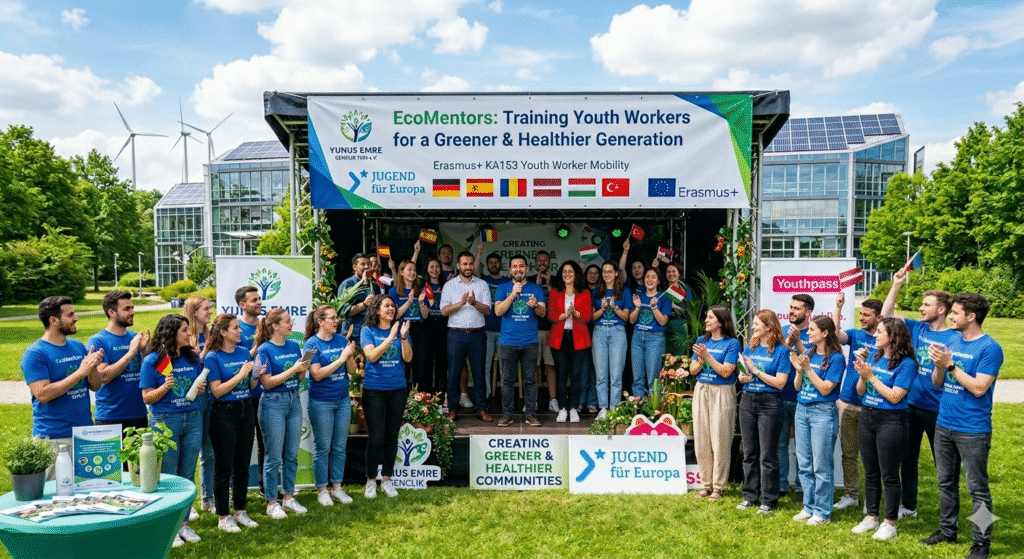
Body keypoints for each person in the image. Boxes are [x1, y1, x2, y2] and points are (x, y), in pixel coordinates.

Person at [921, 293, 1002, 559]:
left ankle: (981, 543)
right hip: (944, 423)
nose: (951, 316)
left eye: (955, 312)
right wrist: (939, 366)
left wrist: (951, 365)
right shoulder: (953, 341)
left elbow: (979, 388)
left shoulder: (990, 348)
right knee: (945, 483)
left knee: (977, 489)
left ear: (971, 316)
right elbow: (937, 383)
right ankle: (947, 531)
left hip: (973, 429)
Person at [881, 270, 957, 519]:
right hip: (911, 406)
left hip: (939, 410)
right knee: (907, 459)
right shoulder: (917, 328)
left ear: (941, 310)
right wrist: (896, 285)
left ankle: (949, 513)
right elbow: (887, 316)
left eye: (927, 305)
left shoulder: (954, 337)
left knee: (944, 465)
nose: (921, 308)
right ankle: (909, 506)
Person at [139, 314, 205, 545]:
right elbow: (147, 397)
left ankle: (183, 524)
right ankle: (169, 528)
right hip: (166, 421)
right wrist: (165, 387)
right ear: (171, 333)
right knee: (168, 475)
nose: (189, 334)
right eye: (184, 330)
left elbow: (195, 386)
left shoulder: (192, 358)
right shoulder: (154, 361)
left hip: (193, 418)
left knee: (187, 474)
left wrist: (199, 388)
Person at [850, 318, 916, 541]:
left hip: (891, 420)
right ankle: (871, 517)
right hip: (867, 416)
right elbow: (861, 391)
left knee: (889, 474)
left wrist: (871, 376)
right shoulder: (875, 357)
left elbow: (895, 396)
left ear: (892, 337)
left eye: (880, 332)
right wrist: (863, 375)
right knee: (870, 472)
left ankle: (890, 523)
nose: (875, 335)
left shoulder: (907, 364)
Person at [21, 296, 103, 476]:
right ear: (53, 320)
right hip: (54, 440)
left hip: (85, 434)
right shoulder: (35, 354)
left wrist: (93, 367)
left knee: (90, 489)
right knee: (57, 492)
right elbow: (42, 394)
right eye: (70, 315)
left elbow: (95, 386)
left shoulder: (77, 346)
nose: (76, 318)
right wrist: (81, 372)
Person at [204, 314, 260, 533]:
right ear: (223, 332)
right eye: (235, 328)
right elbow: (217, 391)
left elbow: (250, 386)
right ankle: (223, 515)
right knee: (223, 466)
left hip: (245, 409)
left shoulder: (244, 352)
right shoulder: (212, 357)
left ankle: (240, 510)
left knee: (242, 464)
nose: (240, 331)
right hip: (223, 413)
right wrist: (240, 375)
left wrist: (255, 375)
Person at [255, 308, 310, 519]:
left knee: (291, 454)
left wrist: (302, 369)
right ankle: (272, 502)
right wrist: (293, 369)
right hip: (273, 403)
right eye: (287, 321)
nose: (291, 324)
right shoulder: (264, 350)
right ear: (275, 326)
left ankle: (288, 497)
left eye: (291, 320)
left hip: (293, 400)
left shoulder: (294, 346)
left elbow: (298, 379)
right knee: (273, 456)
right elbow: (267, 383)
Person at [790, 315, 844, 526]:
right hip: (802, 409)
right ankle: (809, 506)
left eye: (812, 329)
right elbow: (797, 386)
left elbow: (825, 389)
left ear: (825, 333)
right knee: (804, 463)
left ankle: (822, 511)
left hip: (823, 412)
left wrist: (808, 369)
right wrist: (799, 371)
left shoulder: (836, 359)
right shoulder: (808, 354)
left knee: (821, 465)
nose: (808, 333)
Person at [831, 295, 883, 511]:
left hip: (872, 404)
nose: (861, 318)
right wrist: (838, 307)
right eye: (860, 314)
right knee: (849, 453)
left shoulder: (885, 340)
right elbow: (835, 335)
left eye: (866, 315)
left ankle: (873, 499)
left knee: (874, 456)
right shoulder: (855, 334)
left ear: (879, 318)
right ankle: (851, 494)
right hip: (847, 402)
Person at [736, 310, 790, 514]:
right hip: (747, 400)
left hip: (769, 404)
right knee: (749, 452)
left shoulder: (782, 351)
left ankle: (768, 500)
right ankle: (749, 496)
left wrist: (756, 371)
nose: (752, 327)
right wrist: (743, 377)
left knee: (767, 455)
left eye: (757, 324)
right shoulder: (751, 347)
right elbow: (742, 374)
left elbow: (780, 383)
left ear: (769, 326)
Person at [303, 305, 358, 507]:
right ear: (320, 322)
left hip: (342, 400)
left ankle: (337, 487)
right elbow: (316, 374)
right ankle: (322, 489)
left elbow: (352, 371)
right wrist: (341, 358)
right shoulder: (310, 344)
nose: (336, 321)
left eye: (337, 318)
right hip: (321, 402)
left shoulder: (341, 340)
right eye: (332, 318)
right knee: (323, 447)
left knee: (339, 446)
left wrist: (349, 355)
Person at [360, 295, 412, 499]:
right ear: (377, 310)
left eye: (393, 306)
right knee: (376, 437)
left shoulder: (401, 329)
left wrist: (403, 337)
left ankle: (387, 480)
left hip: (397, 389)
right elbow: (371, 356)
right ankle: (371, 480)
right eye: (386, 306)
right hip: (374, 390)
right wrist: (391, 337)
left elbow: (408, 358)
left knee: (392, 436)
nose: (391, 308)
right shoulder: (368, 330)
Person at [689, 305, 740, 501]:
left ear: (720, 321)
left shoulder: (732, 344)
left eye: (710, 318)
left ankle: (719, 487)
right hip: (702, 389)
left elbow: (726, 371)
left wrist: (707, 356)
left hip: (722, 391)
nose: (706, 321)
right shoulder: (701, 341)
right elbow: (693, 369)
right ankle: (706, 484)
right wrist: (701, 360)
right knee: (702, 438)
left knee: (720, 439)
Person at [493, 254, 547, 427]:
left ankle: (531, 413)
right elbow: (498, 311)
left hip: (529, 341)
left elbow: (543, 313)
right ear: (510, 270)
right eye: (515, 266)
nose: (518, 269)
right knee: (507, 380)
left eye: (521, 266)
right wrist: (512, 295)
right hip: (508, 342)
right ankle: (507, 414)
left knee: (530, 380)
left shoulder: (536, 288)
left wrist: (535, 305)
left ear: (527, 269)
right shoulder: (503, 288)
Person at [89, 291, 150, 441]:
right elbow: (104, 376)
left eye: (132, 308)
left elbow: (152, 373)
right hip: (110, 418)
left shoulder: (135, 337)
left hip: (139, 414)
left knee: (140, 457)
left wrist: (143, 351)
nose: (132, 312)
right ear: (111, 312)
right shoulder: (99, 340)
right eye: (126, 309)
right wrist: (131, 353)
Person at [441, 251, 493, 422]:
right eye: (464, 264)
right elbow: (444, 311)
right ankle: (453, 409)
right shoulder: (449, 286)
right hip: (456, 334)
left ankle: (481, 409)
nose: (468, 267)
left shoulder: (482, 285)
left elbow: (487, 309)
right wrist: (462, 303)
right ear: (458, 266)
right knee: (454, 374)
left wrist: (475, 303)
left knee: (479, 373)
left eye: (471, 263)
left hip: (477, 335)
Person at [547, 260, 593, 423]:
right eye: (564, 271)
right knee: (561, 374)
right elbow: (550, 315)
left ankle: (573, 408)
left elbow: (588, 317)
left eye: (570, 271)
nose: (567, 274)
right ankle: (562, 408)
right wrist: (561, 316)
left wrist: (576, 313)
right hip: (559, 337)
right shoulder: (555, 292)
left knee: (576, 374)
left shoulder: (584, 293)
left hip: (578, 337)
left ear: (576, 275)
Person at [182, 295, 215, 513]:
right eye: (206, 309)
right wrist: (206, 349)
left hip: (213, 396)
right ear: (194, 312)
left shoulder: (210, 333)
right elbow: (192, 364)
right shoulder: (186, 335)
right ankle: (187, 504)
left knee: (209, 452)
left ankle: (207, 498)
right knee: (191, 453)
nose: (210, 312)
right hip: (195, 398)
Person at [780, 293, 813, 500]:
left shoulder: (815, 332)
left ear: (808, 312)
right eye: (791, 307)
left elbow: (814, 361)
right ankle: (781, 485)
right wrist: (788, 341)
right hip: (781, 395)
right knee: (780, 444)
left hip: (804, 398)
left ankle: (802, 488)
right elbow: (775, 356)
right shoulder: (783, 331)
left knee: (803, 448)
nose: (791, 311)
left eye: (796, 308)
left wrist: (798, 341)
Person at [235, 285, 267, 497]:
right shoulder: (235, 328)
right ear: (242, 305)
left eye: (259, 299)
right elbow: (238, 360)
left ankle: (265, 488)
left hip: (266, 394)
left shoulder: (266, 325)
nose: (259, 303)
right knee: (240, 446)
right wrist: (257, 343)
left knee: (266, 444)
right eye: (254, 300)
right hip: (243, 396)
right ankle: (237, 492)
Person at [591, 261, 632, 419]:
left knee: (616, 374)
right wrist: (602, 309)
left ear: (616, 273)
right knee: (601, 374)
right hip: (599, 331)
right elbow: (592, 317)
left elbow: (626, 317)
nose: (606, 274)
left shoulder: (624, 291)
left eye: (610, 271)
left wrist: (614, 307)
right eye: (604, 271)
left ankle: (614, 409)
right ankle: (603, 408)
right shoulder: (596, 291)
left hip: (617, 332)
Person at [629, 267, 671, 398]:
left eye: (653, 277)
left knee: (653, 378)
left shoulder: (664, 297)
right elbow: (631, 320)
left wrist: (654, 307)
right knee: (637, 377)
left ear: (658, 281)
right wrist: (637, 307)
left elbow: (663, 322)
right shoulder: (638, 296)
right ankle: (638, 406)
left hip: (655, 338)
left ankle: (654, 407)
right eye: (647, 276)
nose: (650, 280)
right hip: (637, 336)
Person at [389, 259, 430, 390]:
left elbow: (425, 315)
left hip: (419, 329)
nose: (413, 272)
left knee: (420, 367)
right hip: (402, 329)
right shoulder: (394, 291)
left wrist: (421, 303)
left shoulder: (421, 290)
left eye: (414, 270)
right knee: (404, 366)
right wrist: (409, 302)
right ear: (401, 272)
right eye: (409, 270)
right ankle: (403, 398)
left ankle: (420, 398)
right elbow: (395, 316)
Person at [478, 248, 510, 403]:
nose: (493, 265)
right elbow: (475, 271)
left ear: (501, 264)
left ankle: (506, 395)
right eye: (491, 262)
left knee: (505, 366)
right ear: (487, 265)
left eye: (496, 262)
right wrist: (479, 252)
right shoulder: (483, 280)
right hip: (486, 330)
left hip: (504, 330)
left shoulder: (506, 282)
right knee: (485, 365)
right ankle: (485, 394)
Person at [528, 250, 557, 412]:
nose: (542, 263)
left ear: (549, 263)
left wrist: (549, 285)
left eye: (545, 260)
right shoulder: (530, 280)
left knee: (550, 366)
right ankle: (533, 401)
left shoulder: (556, 280)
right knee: (534, 367)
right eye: (539, 260)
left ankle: (553, 400)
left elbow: (558, 302)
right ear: (535, 263)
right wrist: (537, 286)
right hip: (534, 329)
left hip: (551, 329)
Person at [423, 258, 449, 399]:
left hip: (442, 328)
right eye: (431, 267)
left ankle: (440, 398)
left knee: (441, 364)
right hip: (427, 327)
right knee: (427, 364)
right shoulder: (422, 286)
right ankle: (427, 398)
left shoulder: (447, 286)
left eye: (437, 267)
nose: (434, 269)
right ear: (427, 269)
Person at [579, 263, 601, 413]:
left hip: (598, 330)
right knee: (583, 366)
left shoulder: (602, 291)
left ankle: (592, 401)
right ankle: (580, 401)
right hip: (582, 330)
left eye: (595, 273)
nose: (592, 275)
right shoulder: (581, 290)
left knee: (595, 367)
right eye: (590, 273)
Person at [337, 253, 375, 341]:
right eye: (363, 264)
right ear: (355, 267)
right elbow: (344, 312)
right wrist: (364, 304)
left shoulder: (373, 284)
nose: (366, 267)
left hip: (369, 332)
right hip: (352, 334)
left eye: (368, 264)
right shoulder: (347, 284)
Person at [663, 261, 688, 356]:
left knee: (680, 357)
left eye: (674, 271)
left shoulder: (685, 289)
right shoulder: (662, 289)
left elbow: (691, 311)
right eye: (668, 272)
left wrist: (674, 306)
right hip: (665, 327)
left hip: (680, 326)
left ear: (679, 273)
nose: (671, 274)